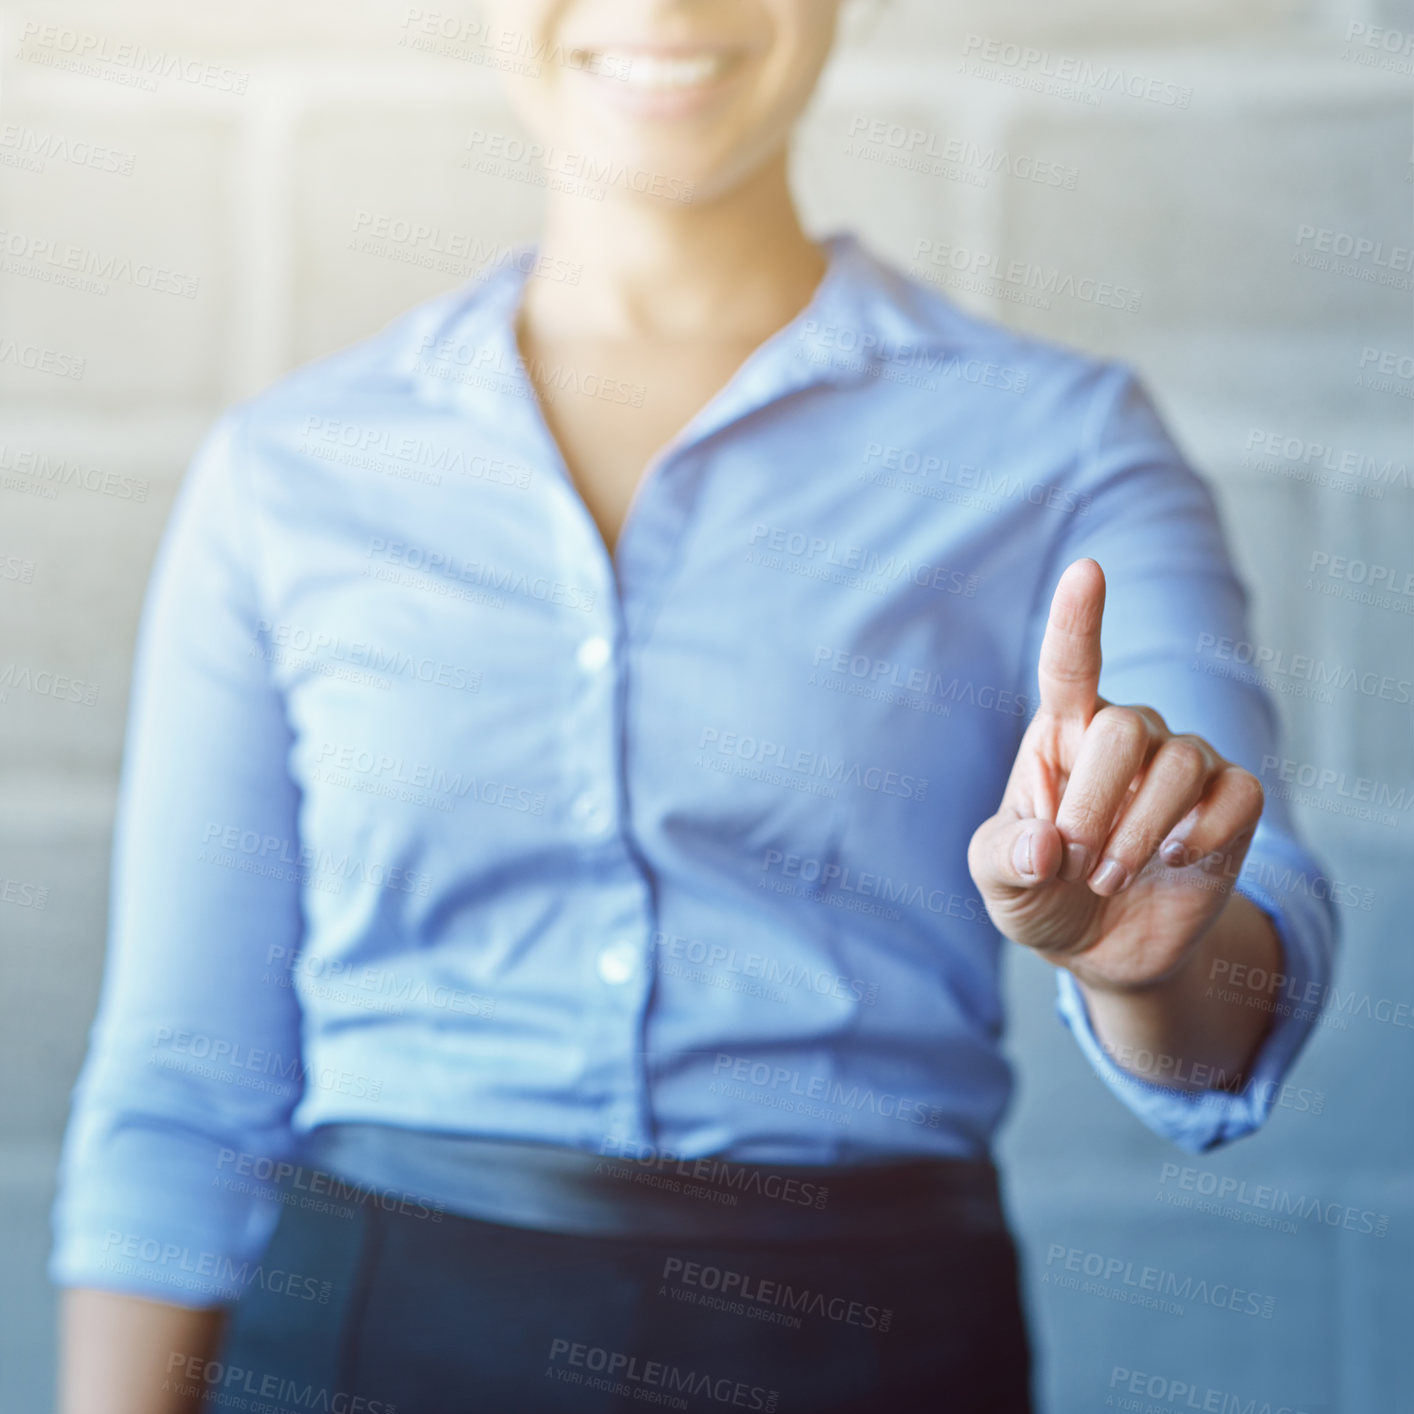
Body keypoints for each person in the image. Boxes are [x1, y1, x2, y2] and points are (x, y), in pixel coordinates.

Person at [50, 2, 1338, 1411]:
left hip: (865, 1341)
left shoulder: (1060, 444)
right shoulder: (284, 474)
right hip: (369, 1334)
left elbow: (1236, 956)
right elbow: (180, 1095)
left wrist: (1146, 961)